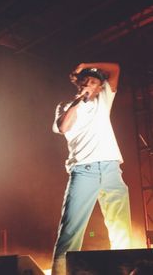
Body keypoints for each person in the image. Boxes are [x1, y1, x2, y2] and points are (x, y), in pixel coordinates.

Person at [51, 62, 132, 275]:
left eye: (96, 83)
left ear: (100, 88)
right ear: (80, 85)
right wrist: (78, 101)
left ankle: (125, 271)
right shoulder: (66, 106)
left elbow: (115, 69)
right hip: (83, 171)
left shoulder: (103, 102)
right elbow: (62, 127)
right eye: (87, 81)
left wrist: (88, 64)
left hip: (111, 169)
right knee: (70, 231)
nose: (91, 85)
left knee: (121, 229)